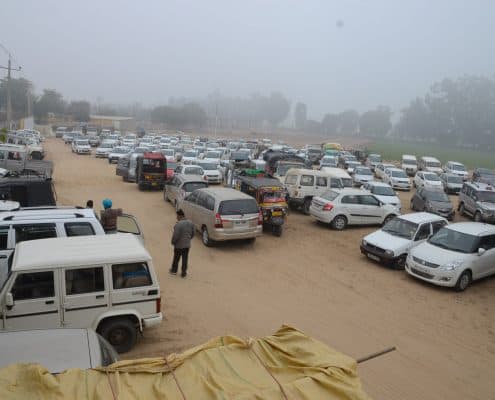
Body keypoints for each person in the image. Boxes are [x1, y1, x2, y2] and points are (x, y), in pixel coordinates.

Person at [169, 209, 195, 278]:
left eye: (177, 216)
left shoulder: (178, 224)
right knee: (185, 259)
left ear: (180, 216)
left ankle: (174, 271)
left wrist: (173, 242)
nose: (176, 217)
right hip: (187, 245)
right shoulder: (190, 223)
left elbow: (175, 236)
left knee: (176, 258)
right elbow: (193, 233)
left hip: (178, 245)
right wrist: (188, 239)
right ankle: (184, 273)